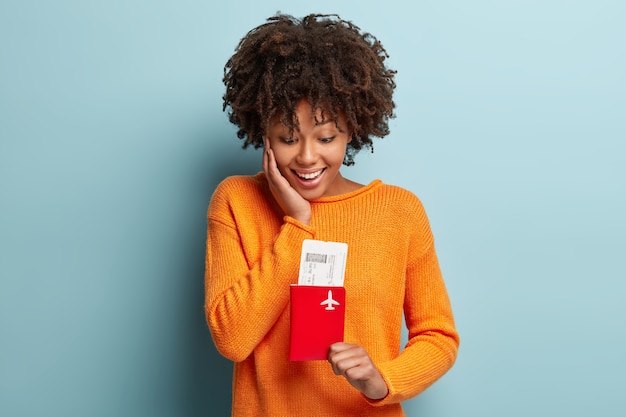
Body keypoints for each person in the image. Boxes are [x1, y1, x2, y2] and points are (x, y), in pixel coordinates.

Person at [205, 13, 459, 416]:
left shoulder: (398, 212)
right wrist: (297, 224)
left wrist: (383, 381)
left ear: (352, 129)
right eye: (288, 138)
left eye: (326, 137)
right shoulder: (237, 201)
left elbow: (438, 335)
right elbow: (233, 338)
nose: (307, 157)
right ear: (262, 133)